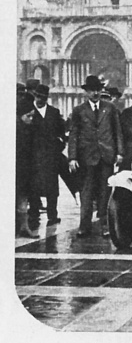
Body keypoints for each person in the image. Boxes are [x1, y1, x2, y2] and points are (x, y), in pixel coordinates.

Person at [68, 75, 124, 237]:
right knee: (86, 192)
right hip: (87, 157)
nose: (95, 93)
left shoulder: (110, 108)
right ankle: (84, 226)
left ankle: (105, 225)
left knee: (105, 192)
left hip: (106, 156)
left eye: (98, 90)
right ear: (86, 92)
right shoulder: (79, 110)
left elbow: (117, 131)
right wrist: (72, 157)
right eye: (92, 90)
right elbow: (74, 135)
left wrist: (119, 152)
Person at [27, 85, 66, 229]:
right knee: (34, 186)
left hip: (51, 156)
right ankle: (33, 214)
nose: (39, 99)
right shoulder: (29, 112)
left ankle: (52, 215)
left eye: (42, 97)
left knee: (52, 187)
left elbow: (61, 133)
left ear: (46, 98)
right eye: (37, 96)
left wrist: (58, 146)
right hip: (34, 157)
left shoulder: (54, 112)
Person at [16, 96, 38, 238]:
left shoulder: (31, 129)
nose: (31, 119)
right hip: (17, 168)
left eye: (32, 116)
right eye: (28, 116)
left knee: (24, 198)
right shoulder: (15, 129)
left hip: (26, 169)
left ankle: (24, 226)